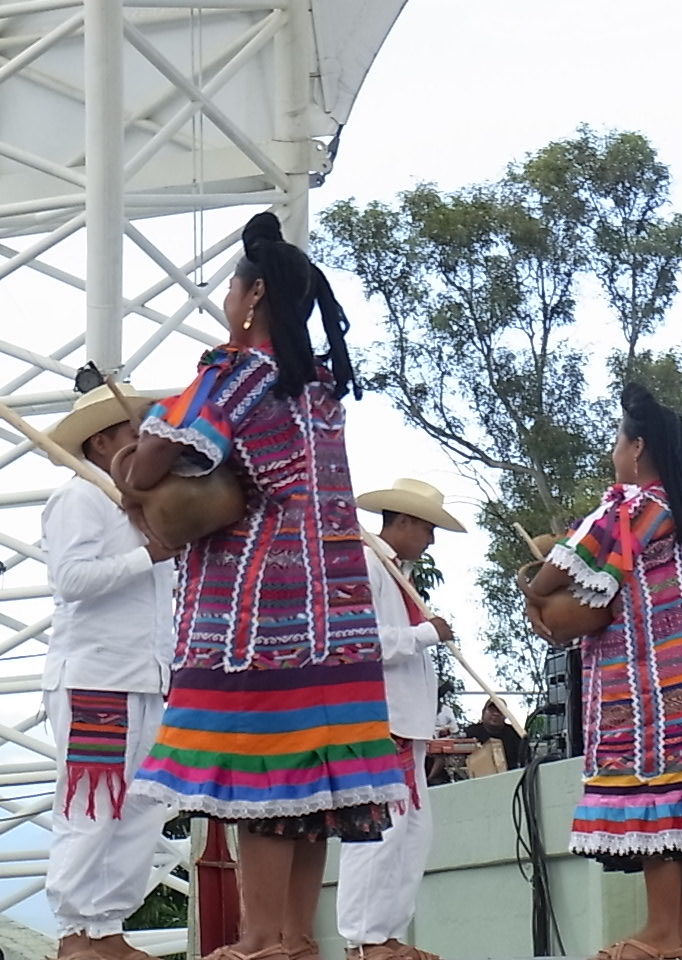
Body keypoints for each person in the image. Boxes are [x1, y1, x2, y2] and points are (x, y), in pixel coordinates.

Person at [123, 212, 407, 960]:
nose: (226, 298)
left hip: (256, 615)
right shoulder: (320, 388)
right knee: (313, 784)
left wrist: (139, 447)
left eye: (231, 287)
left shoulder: (237, 375)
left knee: (262, 779)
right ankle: (294, 938)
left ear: (252, 298)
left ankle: (257, 940)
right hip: (336, 616)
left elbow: (150, 465)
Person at [524, 383, 682, 960]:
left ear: (638, 447)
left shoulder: (635, 507)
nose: (614, 452)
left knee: (661, 797)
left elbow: (560, 567)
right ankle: (680, 937)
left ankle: (660, 931)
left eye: (617, 441)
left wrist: (533, 592)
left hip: (656, 684)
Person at [41, 384, 177, 960]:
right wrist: (148, 554)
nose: (146, 443)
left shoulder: (143, 506)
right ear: (101, 442)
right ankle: (75, 931)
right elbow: (70, 580)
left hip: (149, 677)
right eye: (133, 433)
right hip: (97, 675)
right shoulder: (79, 497)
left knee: (143, 805)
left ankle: (107, 926)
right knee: (93, 803)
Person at [336, 479, 464, 960]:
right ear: (405, 521)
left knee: (412, 833)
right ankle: (362, 938)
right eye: (427, 529)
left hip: (407, 723)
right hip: (380, 719)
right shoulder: (366, 564)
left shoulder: (395, 572)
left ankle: (386, 933)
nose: (430, 540)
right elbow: (356, 641)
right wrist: (424, 634)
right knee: (378, 830)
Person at [463, 698, 525, 772]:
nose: (496, 713)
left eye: (500, 711)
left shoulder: (515, 734)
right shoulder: (470, 732)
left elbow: (525, 761)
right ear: (483, 712)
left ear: (506, 715)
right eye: (492, 710)